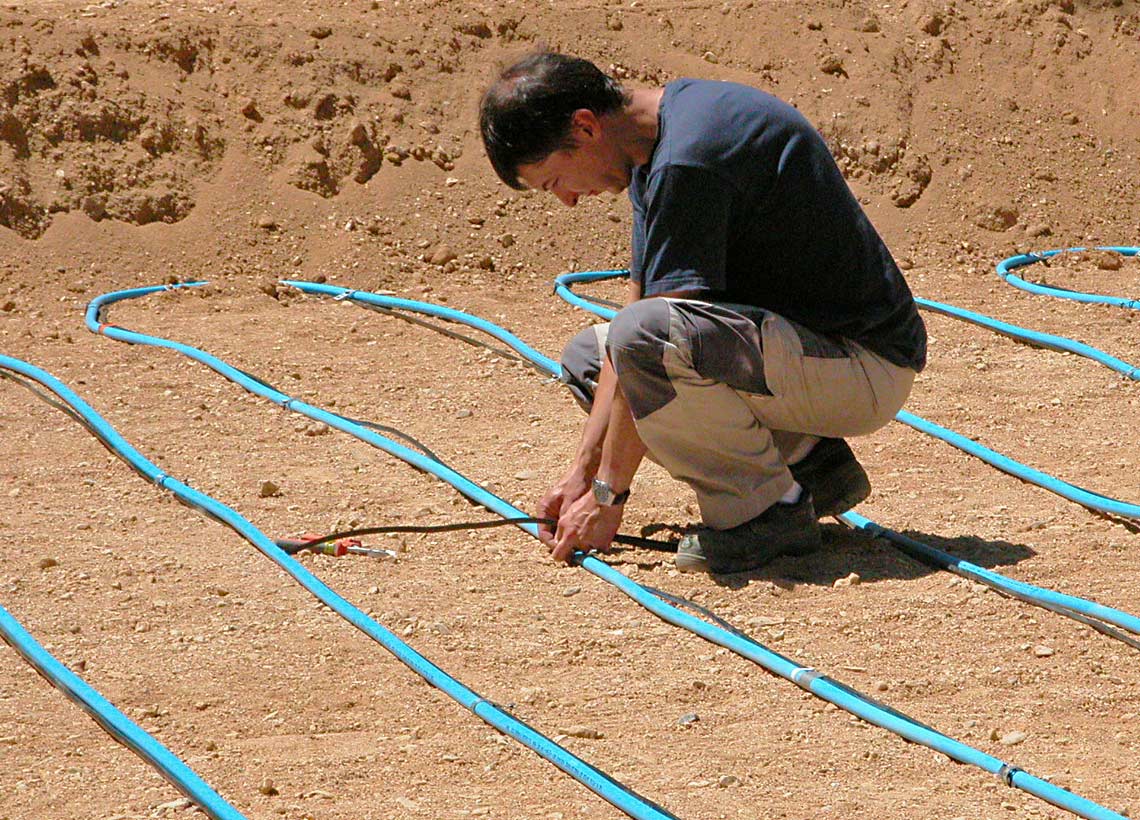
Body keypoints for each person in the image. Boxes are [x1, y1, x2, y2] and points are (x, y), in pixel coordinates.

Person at [479, 52, 927, 574]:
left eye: (554, 181)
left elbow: (645, 336)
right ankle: (808, 466)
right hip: (804, 355)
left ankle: (767, 516)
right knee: (590, 356)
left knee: (643, 342)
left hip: (862, 366)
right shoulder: (658, 142)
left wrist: (607, 497)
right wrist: (581, 471)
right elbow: (634, 318)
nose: (569, 201)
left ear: (585, 126)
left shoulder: (688, 159)